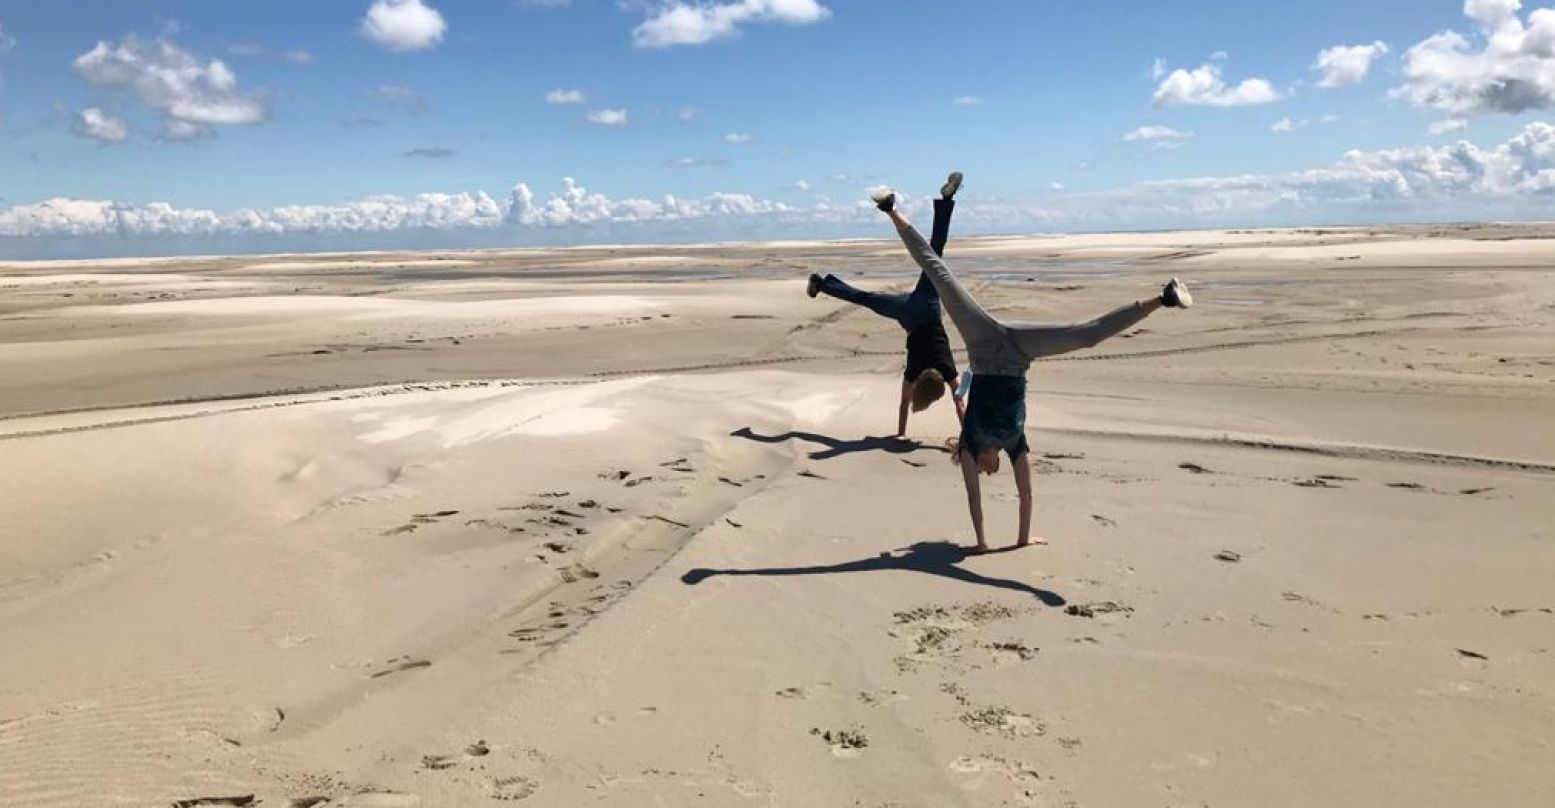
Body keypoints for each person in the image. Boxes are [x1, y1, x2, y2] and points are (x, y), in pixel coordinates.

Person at [872, 186, 1192, 552]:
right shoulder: (1016, 445)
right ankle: (1166, 298)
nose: (991, 472)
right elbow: (1025, 494)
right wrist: (1022, 540)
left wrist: (980, 544)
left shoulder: (970, 443)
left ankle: (890, 208)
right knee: (1087, 337)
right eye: (991, 471)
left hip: (982, 341)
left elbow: (973, 502)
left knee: (937, 271)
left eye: (985, 472)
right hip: (1019, 355)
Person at [806, 172, 966, 437]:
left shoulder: (948, 370)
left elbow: (960, 401)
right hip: (908, 315)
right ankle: (820, 284)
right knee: (866, 299)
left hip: (927, 306)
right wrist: (901, 433)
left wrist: (965, 433)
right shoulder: (914, 372)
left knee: (934, 253)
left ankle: (934, 202)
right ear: (920, 388)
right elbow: (906, 403)